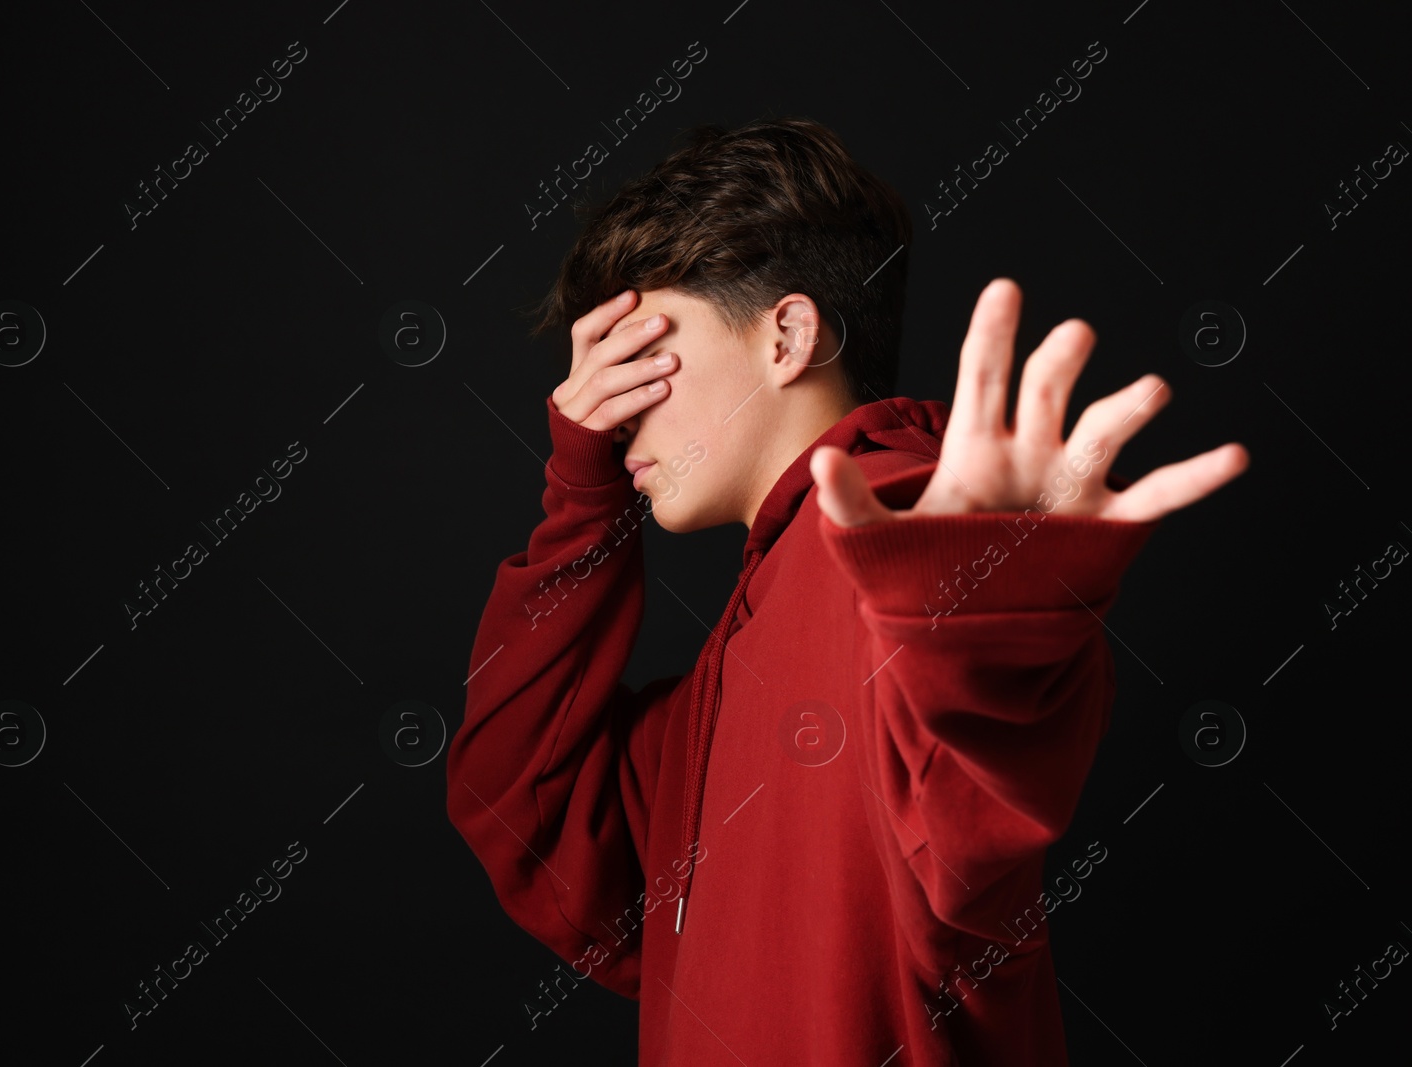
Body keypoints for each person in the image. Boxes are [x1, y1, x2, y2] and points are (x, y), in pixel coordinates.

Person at [446, 116, 1246, 1065]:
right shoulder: (730, 661)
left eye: (640, 360)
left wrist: (980, 581)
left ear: (787, 335)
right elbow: (520, 806)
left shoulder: (888, 546)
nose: (610, 416)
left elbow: (975, 762)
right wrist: (580, 500)